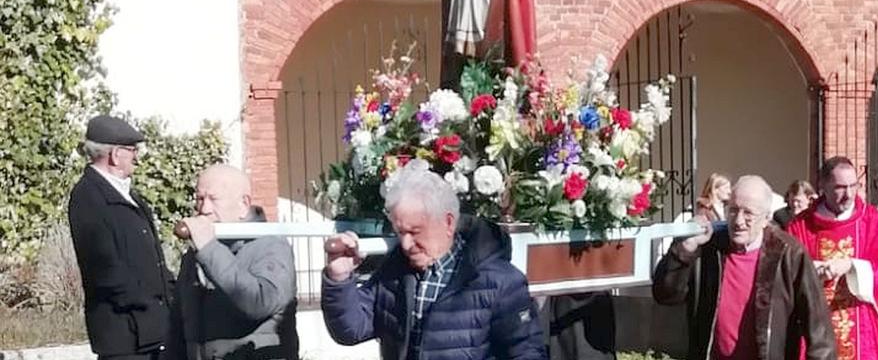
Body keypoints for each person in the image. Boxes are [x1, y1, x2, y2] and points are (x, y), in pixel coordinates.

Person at [320, 167, 546, 360]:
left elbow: (526, 352)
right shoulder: (394, 270)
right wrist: (339, 278)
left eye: (415, 231)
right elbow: (351, 330)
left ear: (448, 223)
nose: (406, 244)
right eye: (400, 232)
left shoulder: (499, 281)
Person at [652, 175, 836, 360]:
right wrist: (684, 249)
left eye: (748, 213)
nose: (738, 221)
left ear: (765, 219)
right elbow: (665, 295)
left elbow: (819, 330)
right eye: (733, 210)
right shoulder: (708, 247)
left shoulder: (789, 254)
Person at [68, 115, 173, 360]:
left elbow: (153, 259)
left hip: (153, 330)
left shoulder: (130, 194)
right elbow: (103, 269)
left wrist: (171, 296)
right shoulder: (88, 197)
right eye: (132, 150)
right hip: (124, 335)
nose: (137, 156)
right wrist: (145, 301)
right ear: (115, 155)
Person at [167, 164, 298, 360]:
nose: (204, 209)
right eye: (200, 198)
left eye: (214, 199)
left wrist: (210, 250)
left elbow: (260, 302)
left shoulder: (271, 245)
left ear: (243, 205)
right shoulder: (197, 253)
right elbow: (178, 326)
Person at [787, 157, 878, 360]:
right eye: (840, 187)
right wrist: (812, 269)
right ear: (822, 185)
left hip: (863, 329)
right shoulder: (800, 226)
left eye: (853, 186)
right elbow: (784, 272)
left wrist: (853, 266)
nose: (849, 195)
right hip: (814, 327)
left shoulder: (873, 222)